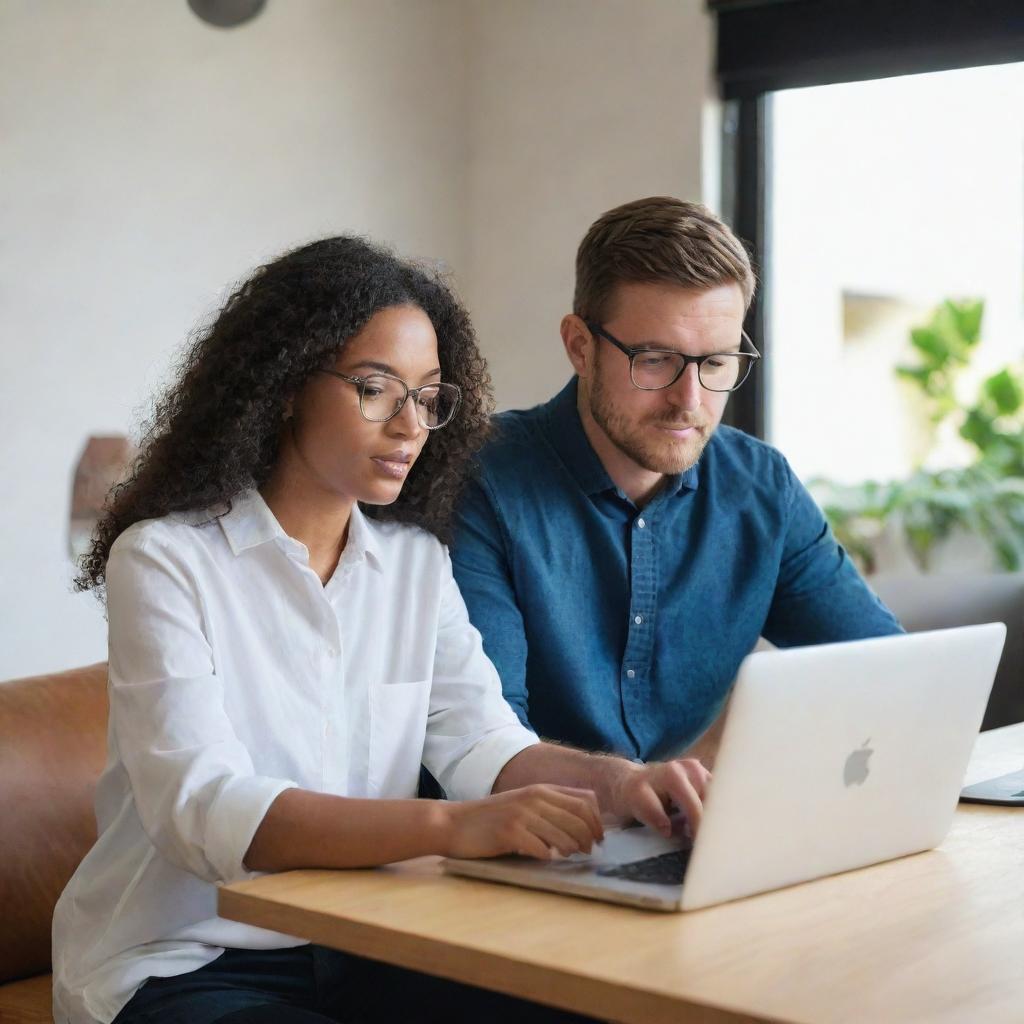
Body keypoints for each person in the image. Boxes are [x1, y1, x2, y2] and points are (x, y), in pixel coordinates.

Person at [52, 236, 711, 1024]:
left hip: (378, 940)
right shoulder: (164, 559)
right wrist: (451, 826)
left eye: (429, 397)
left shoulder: (414, 564)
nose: (410, 426)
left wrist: (621, 785)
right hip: (186, 962)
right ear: (288, 383)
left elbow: (481, 744)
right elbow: (204, 809)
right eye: (376, 389)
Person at [451, 197, 902, 768]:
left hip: (679, 836)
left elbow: (886, 675)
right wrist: (638, 792)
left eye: (715, 364)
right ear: (579, 347)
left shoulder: (761, 488)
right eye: (657, 360)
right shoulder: (480, 481)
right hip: (517, 841)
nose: (689, 402)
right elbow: (485, 743)